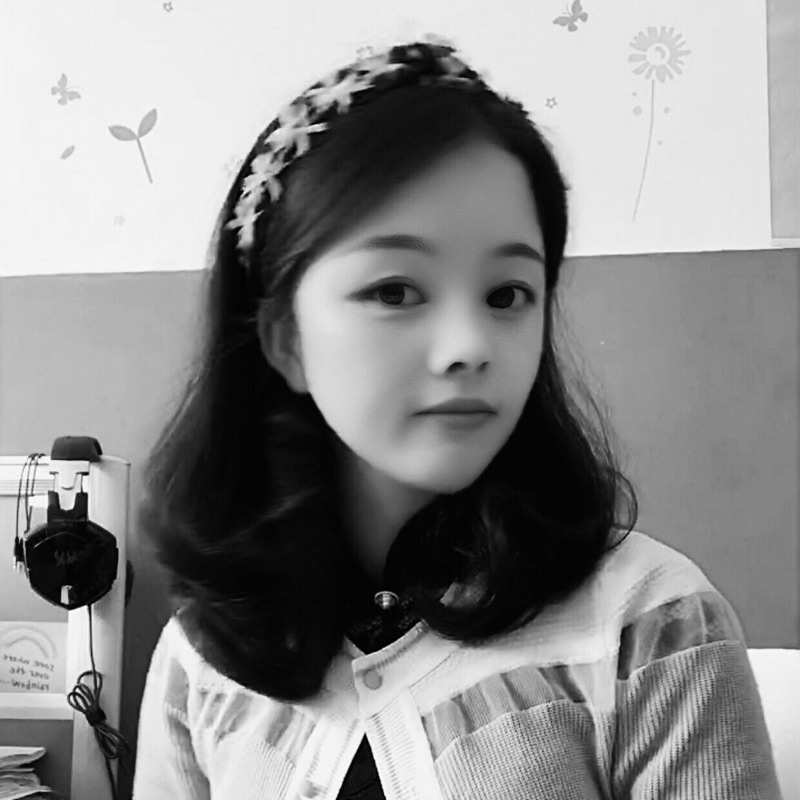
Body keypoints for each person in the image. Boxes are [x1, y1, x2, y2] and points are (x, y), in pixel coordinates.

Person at [131, 34, 782, 799]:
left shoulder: (656, 625)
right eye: (395, 291)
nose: (470, 346)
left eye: (507, 295)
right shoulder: (202, 657)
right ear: (285, 339)